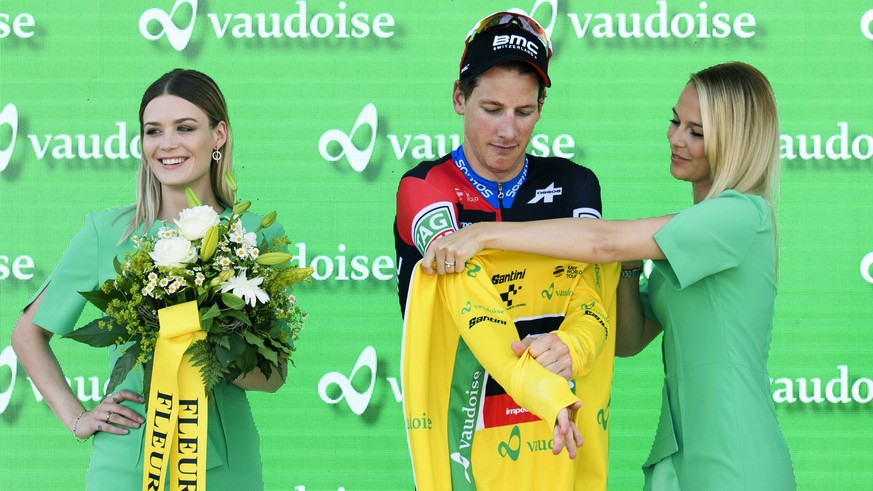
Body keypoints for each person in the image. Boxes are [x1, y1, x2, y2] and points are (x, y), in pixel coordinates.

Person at [423, 61, 797, 490]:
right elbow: (627, 340)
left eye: (696, 132)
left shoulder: (743, 216)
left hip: (735, 452)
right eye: (675, 121)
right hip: (678, 452)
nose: (676, 138)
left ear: (735, 141)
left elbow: (605, 243)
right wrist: (628, 269)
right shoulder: (695, 230)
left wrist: (484, 234)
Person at [11, 69, 286, 490]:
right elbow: (27, 334)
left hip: (226, 466)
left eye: (185, 128)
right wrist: (77, 417)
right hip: (125, 462)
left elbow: (274, 377)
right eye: (153, 131)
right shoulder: (109, 233)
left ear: (219, 135)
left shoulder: (253, 235)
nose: (167, 144)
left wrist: (199, 337)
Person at [394, 11, 618, 490]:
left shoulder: (574, 184)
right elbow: (464, 297)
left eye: (524, 112)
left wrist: (574, 349)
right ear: (460, 97)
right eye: (491, 108)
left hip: (561, 421)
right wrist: (541, 388)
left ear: (541, 107)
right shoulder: (424, 185)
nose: (508, 131)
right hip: (467, 421)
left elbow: (592, 294)